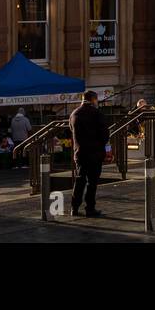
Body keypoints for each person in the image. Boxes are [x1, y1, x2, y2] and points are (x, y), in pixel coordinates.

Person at [69, 90, 108, 218]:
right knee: (92, 182)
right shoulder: (97, 114)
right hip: (94, 153)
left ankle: (74, 207)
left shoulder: (74, 114)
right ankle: (90, 208)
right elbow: (104, 135)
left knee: (80, 180)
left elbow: (71, 129)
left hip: (80, 153)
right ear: (93, 100)